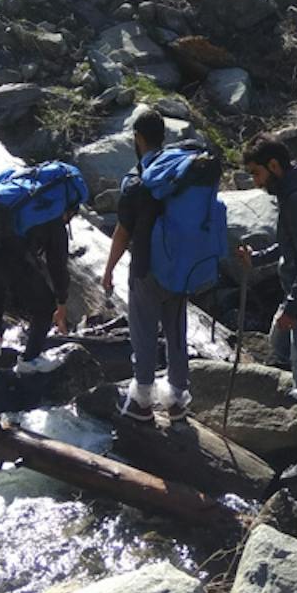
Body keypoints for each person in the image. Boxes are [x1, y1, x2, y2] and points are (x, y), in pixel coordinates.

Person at [237, 132, 297, 483]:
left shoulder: (296, 200)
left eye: (258, 174)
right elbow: (289, 246)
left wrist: (294, 306)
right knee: (279, 344)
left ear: (274, 165)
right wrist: (258, 259)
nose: (257, 182)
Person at [101, 108, 192, 422]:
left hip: (147, 269)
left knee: (143, 332)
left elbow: (123, 232)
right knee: (176, 331)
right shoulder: (183, 173)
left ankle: (141, 402)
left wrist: (109, 269)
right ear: (163, 137)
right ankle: (177, 399)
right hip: (182, 268)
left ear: (138, 139)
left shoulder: (137, 180)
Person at [0, 212, 70, 376]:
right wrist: (61, 302)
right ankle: (30, 360)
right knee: (45, 306)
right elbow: (57, 265)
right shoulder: (54, 219)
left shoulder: (26, 199)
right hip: (11, 257)